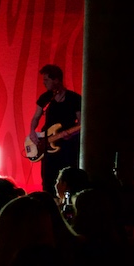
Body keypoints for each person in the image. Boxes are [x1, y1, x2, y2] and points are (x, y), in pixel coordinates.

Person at [29, 64, 81, 194]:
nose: (44, 83)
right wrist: (32, 131)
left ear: (56, 80)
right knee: (48, 178)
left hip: (67, 145)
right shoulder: (46, 98)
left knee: (67, 178)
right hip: (48, 143)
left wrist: (71, 134)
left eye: (46, 80)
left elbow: (81, 123)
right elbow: (36, 117)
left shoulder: (74, 98)